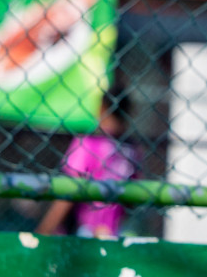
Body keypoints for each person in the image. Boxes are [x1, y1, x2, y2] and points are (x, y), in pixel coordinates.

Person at [37, 93, 136, 238]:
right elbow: (131, 202)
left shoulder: (89, 143)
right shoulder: (131, 149)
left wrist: (44, 230)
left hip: (83, 230)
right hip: (116, 232)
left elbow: (69, 191)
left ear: (101, 110)